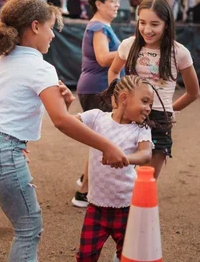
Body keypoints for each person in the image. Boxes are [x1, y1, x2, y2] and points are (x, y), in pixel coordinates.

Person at [0, 0, 129, 262]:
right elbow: (60, 120)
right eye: (49, 28)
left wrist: (11, 142)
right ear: (35, 26)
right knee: (28, 227)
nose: (53, 36)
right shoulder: (41, 68)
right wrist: (107, 144)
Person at [108, 0, 200, 179]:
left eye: (155, 24)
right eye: (142, 22)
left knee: (146, 179)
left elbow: (193, 92)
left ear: (167, 24)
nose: (147, 29)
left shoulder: (180, 53)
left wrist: (169, 110)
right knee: (121, 173)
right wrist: (117, 103)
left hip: (160, 120)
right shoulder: (128, 45)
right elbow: (113, 72)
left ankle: (139, 209)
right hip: (128, 115)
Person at [75, 75, 155, 262]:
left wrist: (124, 158)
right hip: (96, 206)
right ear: (124, 98)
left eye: (150, 104)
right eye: (144, 101)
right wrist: (63, 105)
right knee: (86, 256)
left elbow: (146, 155)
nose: (148, 108)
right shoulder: (96, 117)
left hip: (127, 207)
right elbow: (71, 123)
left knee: (128, 255)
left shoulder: (141, 129)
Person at [72, 0, 122, 207]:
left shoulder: (101, 26)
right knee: (101, 139)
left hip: (96, 87)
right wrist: (130, 49)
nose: (117, 4)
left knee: (100, 137)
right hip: (98, 88)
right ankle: (83, 191)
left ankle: (86, 179)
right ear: (99, 4)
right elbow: (103, 58)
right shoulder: (98, 27)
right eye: (112, 1)